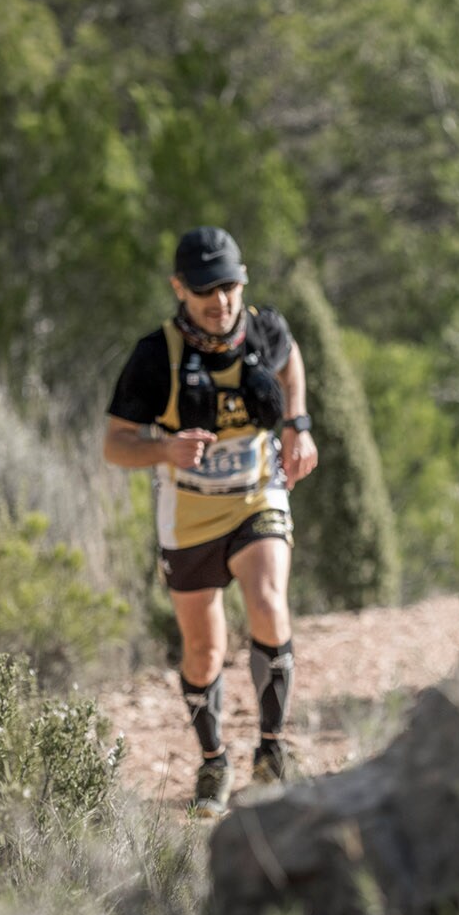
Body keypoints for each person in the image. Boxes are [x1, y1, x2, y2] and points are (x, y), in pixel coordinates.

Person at [103, 227, 319, 817]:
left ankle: (273, 750)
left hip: (256, 495)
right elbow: (115, 445)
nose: (220, 302)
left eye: (228, 287)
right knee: (203, 650)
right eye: (205, 292)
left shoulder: (265, 328)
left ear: (242, 281)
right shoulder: (156, 356)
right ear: (180, 289)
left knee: (269, 600)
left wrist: (298, 424)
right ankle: (214, 760)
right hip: (190, 514)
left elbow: (291, 357)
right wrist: (164, 451)